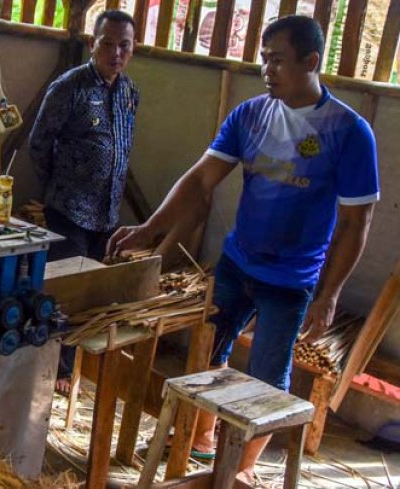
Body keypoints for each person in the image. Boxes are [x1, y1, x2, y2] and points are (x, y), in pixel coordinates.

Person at [108, 15, 379, 483]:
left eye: (277, 61)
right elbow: (200, 178)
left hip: (291, 279)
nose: (266, 70)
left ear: (311, 61)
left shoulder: (348, 132)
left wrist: (330, 293)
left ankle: (239, 471)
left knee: (267, 384)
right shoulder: (251, 115)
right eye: (263, 60)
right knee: (212, 350)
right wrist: (150, 228)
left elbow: (357, 223)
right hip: (237, 263)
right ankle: (204, 440)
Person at [30, 10, 139, 393]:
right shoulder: (69, 87)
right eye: (107, 43)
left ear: (133, 48)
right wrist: (58, 188)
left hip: (106, 212)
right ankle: (54, 370)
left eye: (123, 45)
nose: (115, 52)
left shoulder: (128, 92)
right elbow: (39, 144)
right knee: (66, 292)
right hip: (68, 209)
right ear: (93, 44)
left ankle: (70, 368)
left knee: (92, 294)